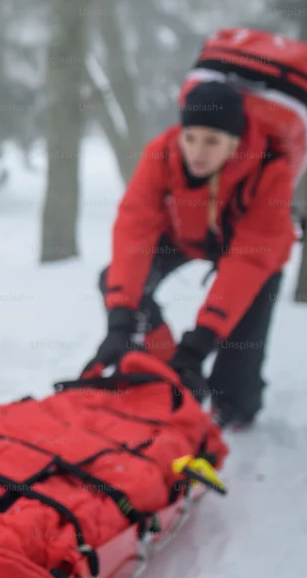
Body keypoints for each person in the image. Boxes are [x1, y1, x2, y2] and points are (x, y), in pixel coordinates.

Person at [86, 80, 297, 429]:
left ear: (236, 141)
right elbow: (135, 229)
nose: (198, 152)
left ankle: (234, 397)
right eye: (191, 138)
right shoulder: (162, 153)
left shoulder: (271, 172)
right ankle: (166, 363)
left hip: (254, 254)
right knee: (117, 283)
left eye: (212, 141)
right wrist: (120, 321)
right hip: (184, 237)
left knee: (235, 399)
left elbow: (249, 260)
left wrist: (201, 341)